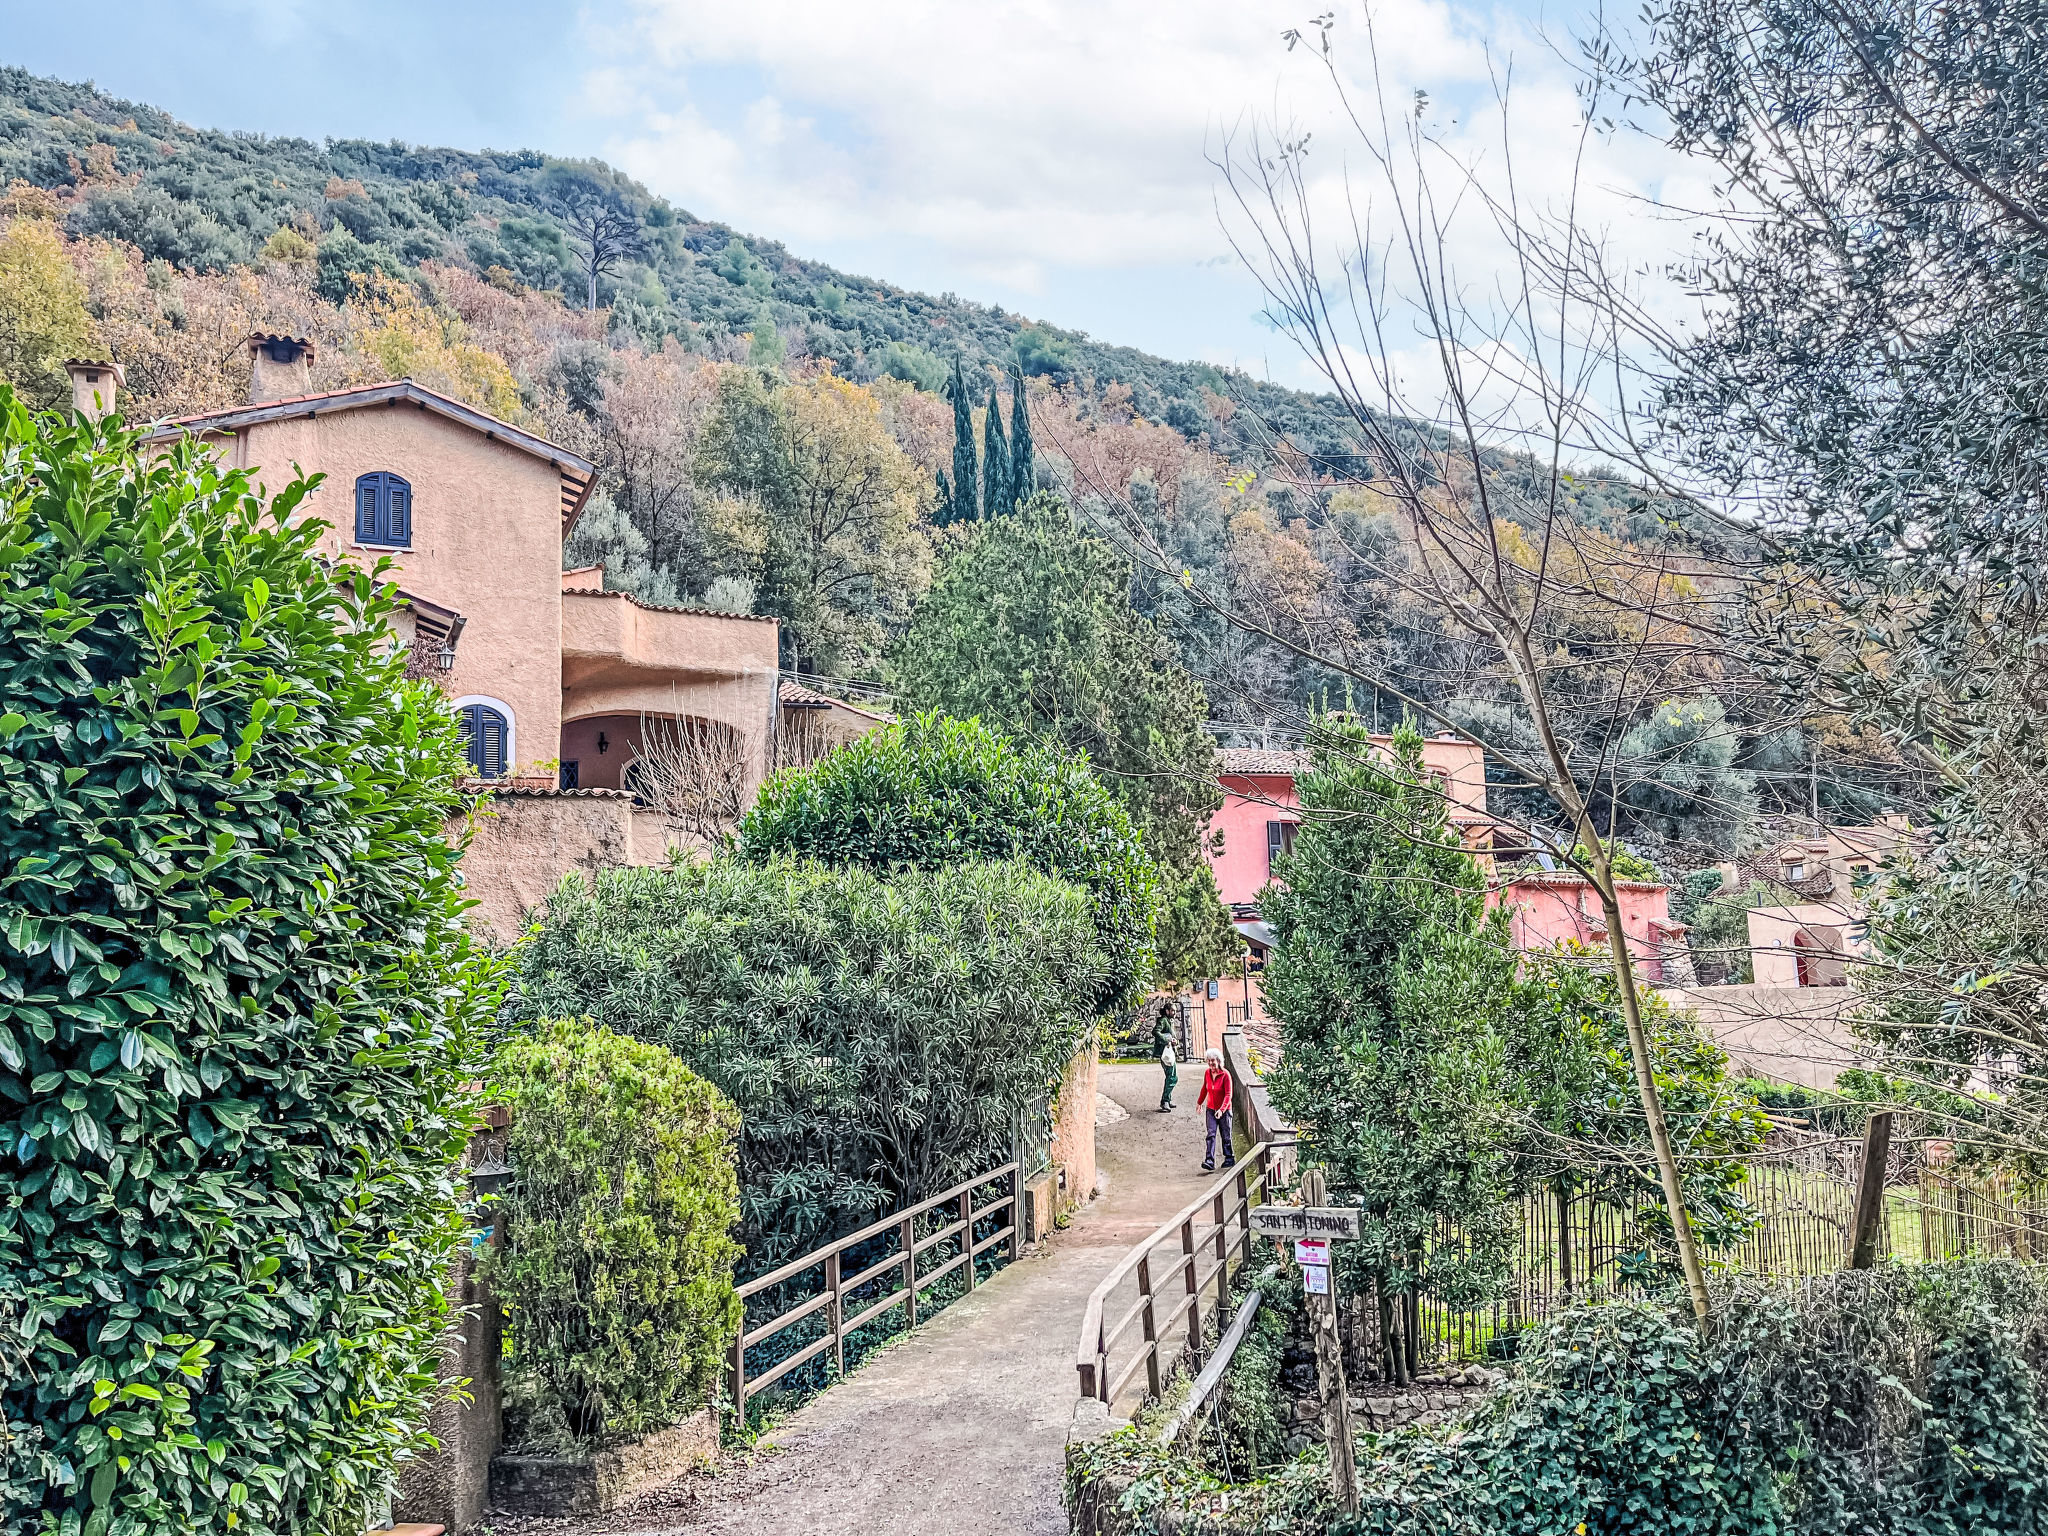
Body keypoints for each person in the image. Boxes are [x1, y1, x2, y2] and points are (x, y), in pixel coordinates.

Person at [1198, 1047, 1235, 1172]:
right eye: (1208, 1061)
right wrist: (1199, 1103)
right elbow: (1205, 1088)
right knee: (1211, 1134)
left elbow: (1228, 1095)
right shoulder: (1207, 1073)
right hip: (1211, 1109)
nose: (1210, 1063)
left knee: (1226, 1135)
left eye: (1212, 1061)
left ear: (1218, 1061)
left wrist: (1222, 1110)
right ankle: (1209, 1160)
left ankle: (1229, 1157)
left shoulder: (1225, 1075)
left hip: (1224, 1111)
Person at [1153, 1012, 1178, 1112]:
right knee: (1172, 1078)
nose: (1174, 1012)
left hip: (1169, 1052)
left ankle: (1167, 1100)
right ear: (1167, 1011)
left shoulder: (1169, 1021)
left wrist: (1174, 1041)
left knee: (1171, 1077)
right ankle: (1165, 1102)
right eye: (1173, 1010)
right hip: (1165, 1053)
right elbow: (1155, 1031)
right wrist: (1167, 1039)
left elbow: (1173, 1037)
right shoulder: (1163, 1020)